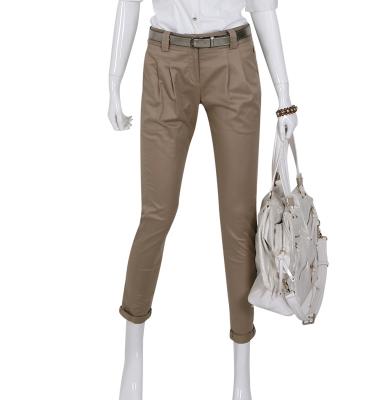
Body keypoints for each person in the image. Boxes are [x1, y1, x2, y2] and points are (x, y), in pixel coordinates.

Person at [108, 1, 298, 399]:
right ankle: (131, 356)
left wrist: (285, 97)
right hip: (165, 63)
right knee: (156, 214)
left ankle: (242, 377)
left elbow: (263, 7)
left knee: (238, 221)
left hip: (233, 61)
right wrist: (114, 81)